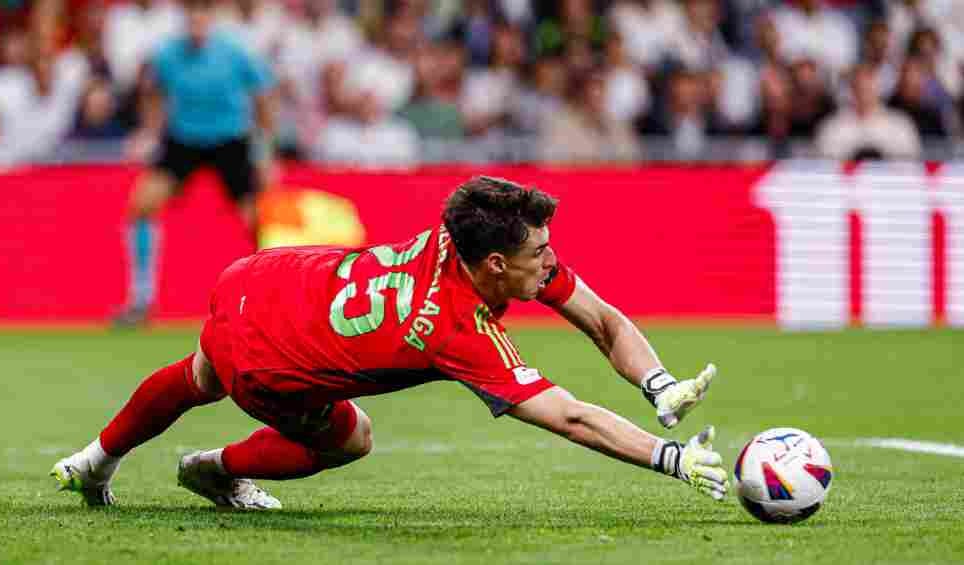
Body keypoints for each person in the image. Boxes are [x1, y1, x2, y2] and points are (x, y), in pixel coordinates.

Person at [52, 176, 727, 509]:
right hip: (268, 363)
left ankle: (94, 459)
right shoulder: (456, 330)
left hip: (264, 279)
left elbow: (601, 319)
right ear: (497, 265)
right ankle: (216, 469)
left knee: (197, 375)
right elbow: (570, 416)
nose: (552, 260)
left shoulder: (469, 237)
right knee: (352, 437)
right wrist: (670, 458)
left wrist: (659, 384)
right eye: (540, 252)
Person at [116, 0, 277, 326]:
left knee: (260, 222)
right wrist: (150, 132)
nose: (196, 21)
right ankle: (141, 300)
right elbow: (153, 93)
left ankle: (269, 302)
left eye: (202, 14)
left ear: (210, 17)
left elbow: (263, 97)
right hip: (183, 141)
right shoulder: (167, 55)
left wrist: (264, 151)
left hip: (230, 141)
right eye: (191, 14)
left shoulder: (234, 52)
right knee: (142, 206)